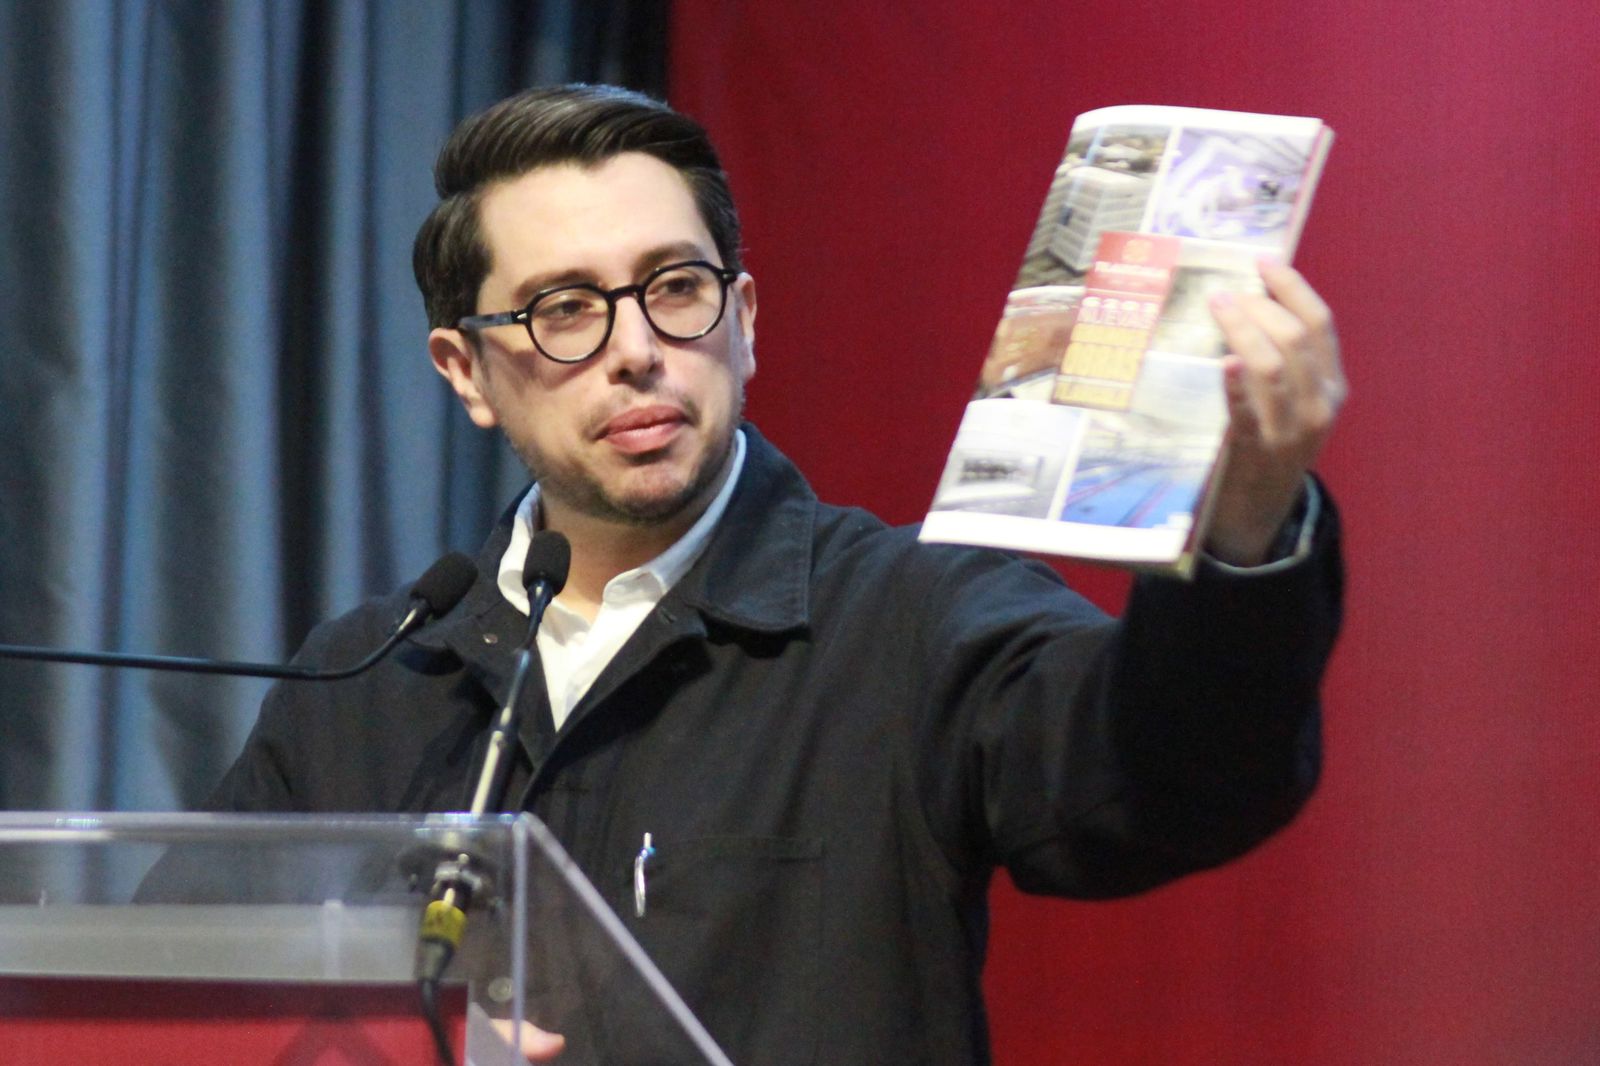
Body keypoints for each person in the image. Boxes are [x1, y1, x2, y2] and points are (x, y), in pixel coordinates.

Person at [206, 84, 1345, 1064]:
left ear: (743, 319)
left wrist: (1247, 523)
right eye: (565, 310)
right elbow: (181, 1003)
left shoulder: (910, 617)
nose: (636, 349)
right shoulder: (371, 682)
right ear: (466, 370)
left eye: (675, 287)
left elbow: (1168, 779)